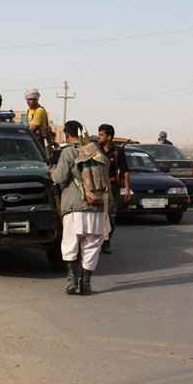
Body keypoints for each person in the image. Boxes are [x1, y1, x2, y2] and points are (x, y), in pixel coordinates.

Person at [51, 120, 111, 295]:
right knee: (91, 245)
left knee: (71, 243)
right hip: (96, 206)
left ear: (67, 134)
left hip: (74, 207)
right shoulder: (97, 151)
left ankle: (72, 281)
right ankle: (86, 283)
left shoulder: (68, 152)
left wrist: (52, 171)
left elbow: (60, 178)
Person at [97, 123, 131, 255]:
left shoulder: (118, 151)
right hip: (97, 188)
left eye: (101, 134)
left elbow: (125, 171)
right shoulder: (95, 149)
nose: (99, 137)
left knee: (110, 216)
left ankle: (106, 242)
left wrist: (127, 189)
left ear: (109, 137)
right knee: (97, 215)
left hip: (112, 187)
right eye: (99, 134)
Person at [24, 88, 54, 152]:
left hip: (38, 142)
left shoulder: (39, 111)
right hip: (33, 141)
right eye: (27, 99)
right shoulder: (29, 110)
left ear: (36, 100)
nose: (28, 102)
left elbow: (32, 128)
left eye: (31, 99)